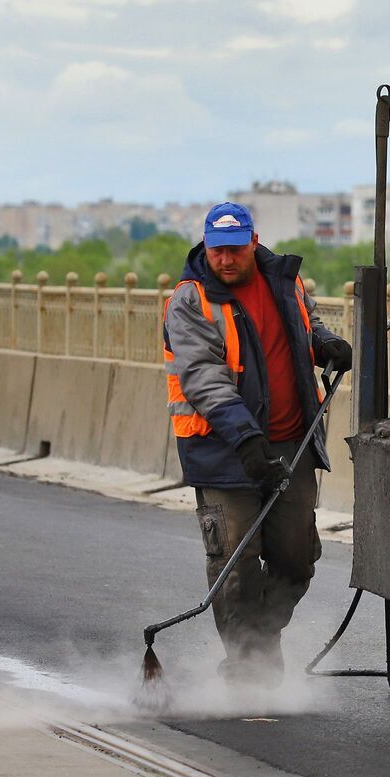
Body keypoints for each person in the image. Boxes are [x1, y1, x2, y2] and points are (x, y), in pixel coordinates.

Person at [163, 202, 352, 683]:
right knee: (235, 563)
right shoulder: (190, 301)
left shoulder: (285, 282)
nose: (226, 259)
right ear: (206, 246)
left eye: (235, 249)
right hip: (226, 451)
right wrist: (246, 438)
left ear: (253, 241)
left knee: (296, 557)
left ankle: (262, 639)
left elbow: (305, 326)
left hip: (292, 443)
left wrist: (325, 343)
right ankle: (248, 666)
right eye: (217, 250)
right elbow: (202, 376)